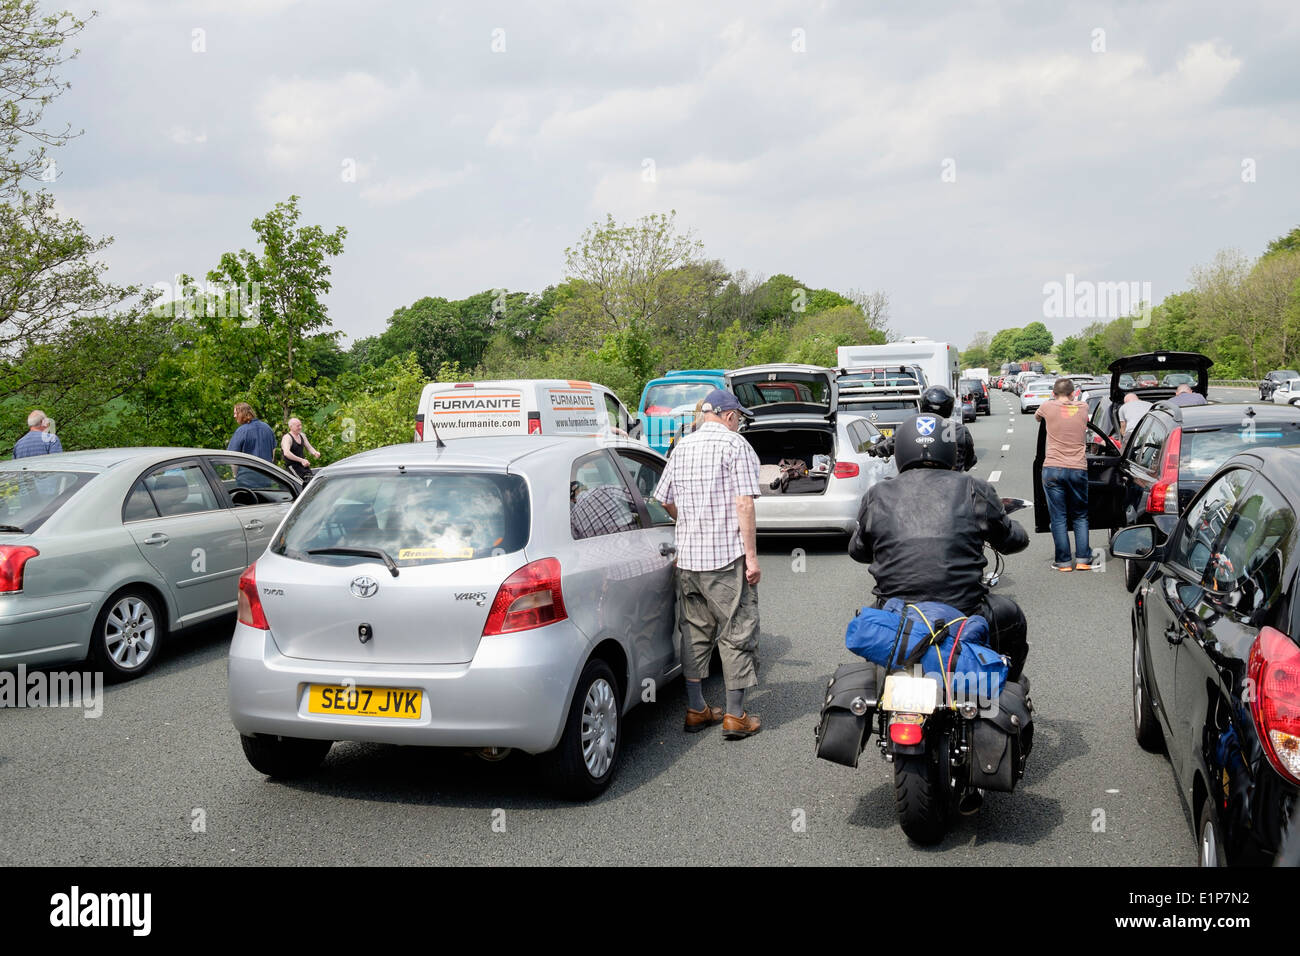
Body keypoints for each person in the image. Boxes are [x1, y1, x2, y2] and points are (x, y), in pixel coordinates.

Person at [848, 411, 1030, 682]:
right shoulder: (974, 488)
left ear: (900, 450)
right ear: (950, 449)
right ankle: (1007, 683)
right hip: (964, 610)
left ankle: (887, 677)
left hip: (897, 612)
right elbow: (1013, 540)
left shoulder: (877, 494)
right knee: (1013, 617)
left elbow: (858, 551)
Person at [653, 388, 763, 739]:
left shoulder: (682, 447)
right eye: (739, 418)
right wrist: (752, 557)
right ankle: (735, 716)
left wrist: (689, 522)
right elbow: (744, 504)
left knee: (694, 632)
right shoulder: (735, 446)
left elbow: (664, 499)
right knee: (736, 630)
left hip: (687, 559)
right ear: (729, 416)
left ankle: (697, 709)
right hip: (723, 559)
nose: (739, 424)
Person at [1035, 378, 1092, 571]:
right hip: (1078, 468)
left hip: (1053, 468)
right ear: (1073, 393)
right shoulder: (1083, 407)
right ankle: (1083, 559)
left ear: (1053, 392)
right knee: (1080, 516)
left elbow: (1037, 418)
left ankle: (1064, 562)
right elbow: (1083, 415)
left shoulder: (1047, 406)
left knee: (1058, 517)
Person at [869, 385, 977, 471]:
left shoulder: (910, 427)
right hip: (954, 489)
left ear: (923, 404)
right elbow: (969, 462)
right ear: (950, 407)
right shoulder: (959, 431)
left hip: (914, 488)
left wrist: (875, 448)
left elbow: (887, 446)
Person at [280, 417, 320, 482]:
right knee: (302, 483)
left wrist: (315, 452)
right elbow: (286, 453)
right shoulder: (287, 438)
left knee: (311, 482)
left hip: (303, 465)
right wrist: (301, 460)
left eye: (301, 425)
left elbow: (309, 447)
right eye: (298, 426)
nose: (300, 427)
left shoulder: (302, 435)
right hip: (293, 467)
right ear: (291, 427)